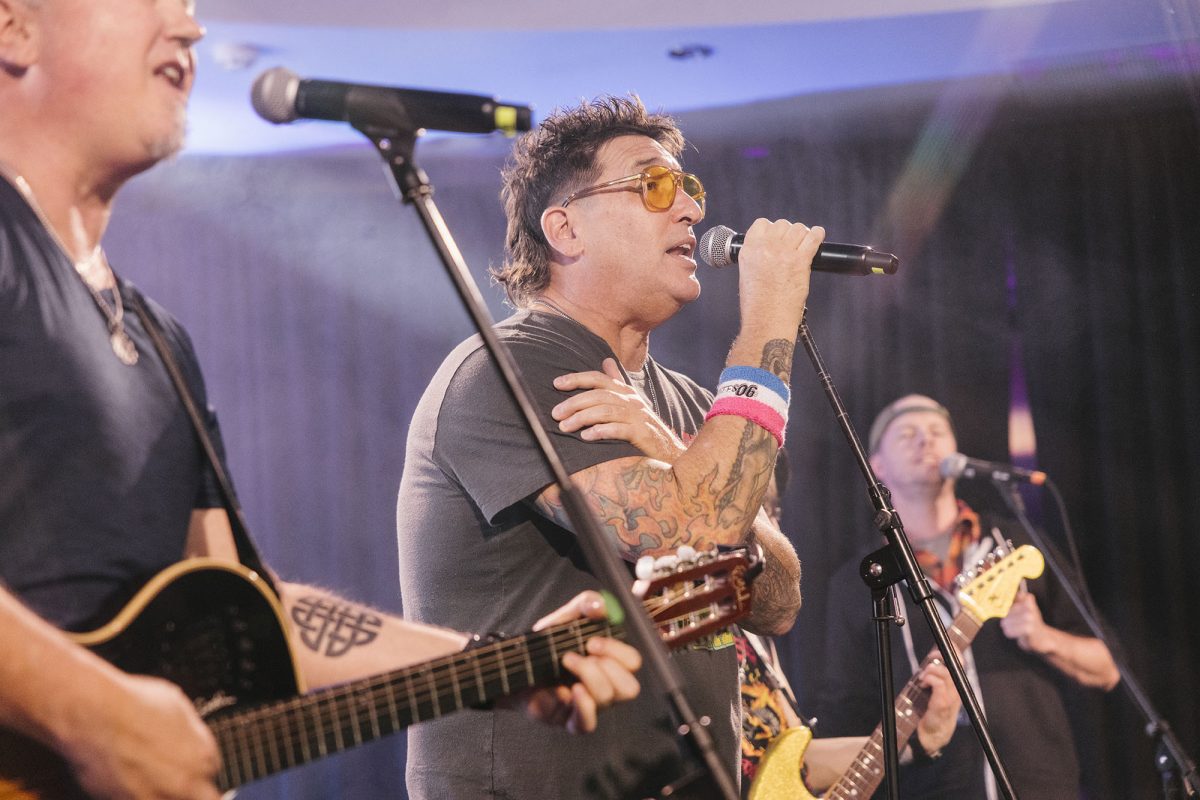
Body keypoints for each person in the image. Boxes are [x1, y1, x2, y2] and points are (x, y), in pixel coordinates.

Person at [0, 2, 641, 798]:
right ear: (14, 27)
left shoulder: (158, 338)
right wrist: (95, 718)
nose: (189, 30)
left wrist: (494, 664)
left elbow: (253, 610)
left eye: (191, 7)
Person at [396, 95, 814, 798]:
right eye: (654, 185)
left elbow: (776, 602)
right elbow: (699, 530)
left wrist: (669, 447)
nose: (691, 209)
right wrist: (771, 314)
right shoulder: (512, 369)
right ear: (565, 228)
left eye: (690, 188)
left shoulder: (688, 404)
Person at [546, 377, 963, 796]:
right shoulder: (677, 614)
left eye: (771, 512)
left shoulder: (754, 633)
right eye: (753, 510)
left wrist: (915, 742)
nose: (766, 526)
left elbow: (792, 764)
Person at [815, 394, 1120, 798]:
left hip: (1041, 785)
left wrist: (1042, 637)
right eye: (907, 434)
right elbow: (843, 716)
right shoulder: (861, 581)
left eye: (937, 431)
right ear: (878, 467)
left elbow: (1108, 669)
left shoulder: (1016, 541)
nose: (926, 440)